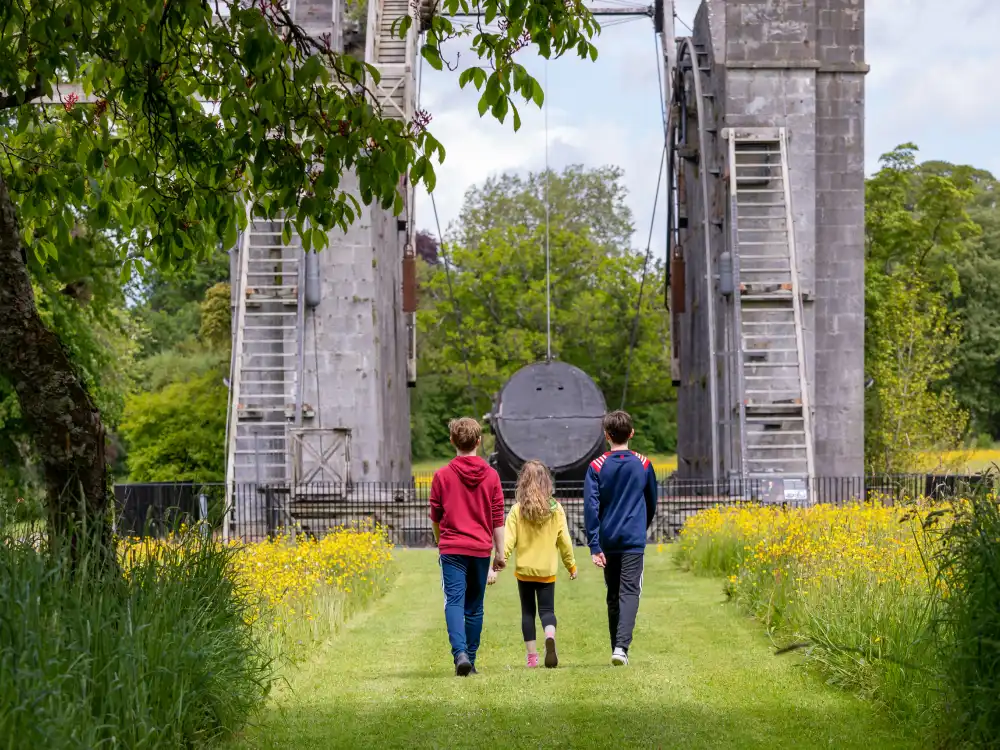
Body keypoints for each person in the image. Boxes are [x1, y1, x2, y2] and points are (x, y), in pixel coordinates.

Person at [429, 417, 506, 676]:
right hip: (480, 549)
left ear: (452, 441)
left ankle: (459, 653)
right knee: (475, 606)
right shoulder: (492, 476)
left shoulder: (441, 476)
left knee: (454, 601)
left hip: (452, 548)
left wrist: (441, 543)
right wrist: (501, 552)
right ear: (479, 441)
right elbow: (498, 518)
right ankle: (470, 661)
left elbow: (436, 517)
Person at [583, 410, 658, 666]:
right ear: (632, 433)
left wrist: (594, 544)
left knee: (613, 594)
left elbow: (591, 507)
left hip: (608, 539)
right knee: (630, 592)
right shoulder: (644, 464)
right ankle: (621, 647)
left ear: (607, 436)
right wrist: (641, 526)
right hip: (633, 540)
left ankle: (617, 646)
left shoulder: (596, 466)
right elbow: (651, 501)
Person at [488, 460, 577, 669]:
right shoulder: (556, 510)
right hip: (547, 570)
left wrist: (498, 564)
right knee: (547, 610)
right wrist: (571, 565)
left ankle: (532, 658)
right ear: (547, 482)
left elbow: (507, 542)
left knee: (527, 613)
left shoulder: (517, 511)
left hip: (525, 571)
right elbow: (564, 540)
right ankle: (550, 636)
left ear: (523, 483)